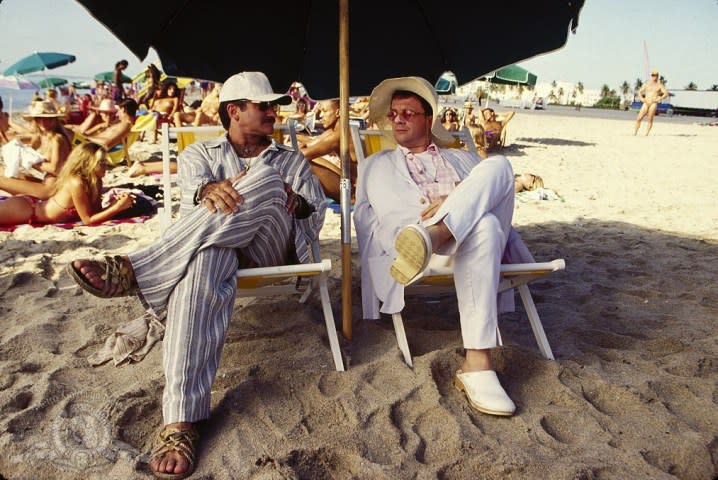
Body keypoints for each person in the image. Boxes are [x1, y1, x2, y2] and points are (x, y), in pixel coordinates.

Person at [66, 71, 326, 479]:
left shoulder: (289, 159)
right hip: (214, 245)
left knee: (268, 179)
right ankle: (180, 423)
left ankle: (140, 267)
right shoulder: (198, 155)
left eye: (274, 106)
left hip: (271, 249)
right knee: (205, 260)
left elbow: (315, 214)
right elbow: (194, 208)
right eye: (264, 106)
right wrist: (207, 191)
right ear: (234, 111)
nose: (273, 113)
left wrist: (293, 200)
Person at [354, 76, 517, 418]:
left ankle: (440, 231)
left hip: (447, 243)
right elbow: (385, 221)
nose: (397, 119)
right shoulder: (376, 166)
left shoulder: (464, 160)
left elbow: (493, 194)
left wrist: (453, 201)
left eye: (408, 113)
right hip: (418, 247)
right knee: (484, 224)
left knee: (500, 166)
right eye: (394, 113)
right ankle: (477, 363)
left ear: (429, 120)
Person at [0, 142, 135, 225]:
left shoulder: (96, 181)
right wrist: (117, 208)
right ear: (88, 164)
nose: (106, 167)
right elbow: (88, 220)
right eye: (101, 163)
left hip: (33, 209)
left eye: (106, 163)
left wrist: (115, 204)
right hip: (27, 211)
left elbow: (96, 213)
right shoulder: (76, 183)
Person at [0, 101, 72, 199]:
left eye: (47, 119)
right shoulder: (40, 137)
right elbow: (15, 140)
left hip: (53, 188)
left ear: (54, 119)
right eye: (39, 118)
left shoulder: (57, 139)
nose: (43, 122)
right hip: (44, 181)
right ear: (35, 120)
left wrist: (30, 160)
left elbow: (55, 169)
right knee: (5, 172)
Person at [298, 98, 357, 202]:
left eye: (324, 111)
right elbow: (311, 143)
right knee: (314, 159)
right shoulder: (335, 131)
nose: (320, 116)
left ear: (338, 112)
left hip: (354, 191)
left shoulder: (339, 135)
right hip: (350, 182)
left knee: (303, 162)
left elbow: (301, 155)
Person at [634, 70, 668, 136]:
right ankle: (635, 132)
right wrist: (642, 99)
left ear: (657, 76)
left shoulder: (659, 85)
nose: (654, 77)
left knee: (650, 119)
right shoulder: (647, 84)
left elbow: (666, 93)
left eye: (655, 75)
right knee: (639, 118)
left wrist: (659, 98)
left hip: (653, 103)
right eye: (653, 75)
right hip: (646, 102)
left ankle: (647, 133)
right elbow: (639, 91)